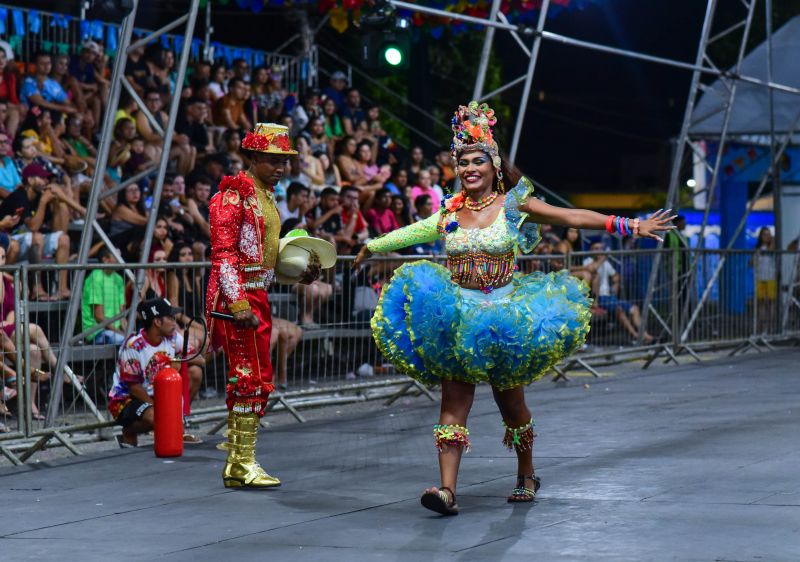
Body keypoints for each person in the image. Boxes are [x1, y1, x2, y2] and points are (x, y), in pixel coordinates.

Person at [353, 101, 674, 515]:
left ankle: (526, 472)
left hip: (506, 318)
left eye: (478, 161)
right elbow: (411, 232)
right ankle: (447, 491)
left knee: (512, 406)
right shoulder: (450, 213)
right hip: (457, 317)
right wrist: (371, 245)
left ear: (494, 165)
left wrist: (629, 225)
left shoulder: (512, 205)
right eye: (463, 162)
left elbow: (570, 215)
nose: (469, 168)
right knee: (453, 404)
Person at [206, 123, 321, 488]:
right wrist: (238, 303)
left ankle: (239, 459)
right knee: (249, 377)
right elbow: (223, 256)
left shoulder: (265, 197)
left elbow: (264, 259)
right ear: (253, 157)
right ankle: (240, 463)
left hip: (257, 294)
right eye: (274, 160)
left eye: (285, 161)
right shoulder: (231, 197)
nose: (282, 168)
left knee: (255, 377)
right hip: (236, 298)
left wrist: (297, 274)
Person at [108, 298, 205, 447]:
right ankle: (129, 431)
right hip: (127, 399)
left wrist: (178, 359)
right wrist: (162, 410)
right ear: (157, 322)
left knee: (195, 372)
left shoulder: (173, 337)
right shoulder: (133, 345)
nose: (175, 322)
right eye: (170, 318)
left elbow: (200, 361)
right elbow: (134, 387)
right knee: (157, 417)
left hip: (159, 393)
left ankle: (176, 424)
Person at [582, 242, 654, 343]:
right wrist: (603, 258)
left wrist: (615, 283)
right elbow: (592, 268)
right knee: (619, 310)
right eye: (595, 248)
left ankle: (644, 334)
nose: (598, 251)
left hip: (610, 297)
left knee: (634, 308)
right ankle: (636, 336)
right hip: (597, 298)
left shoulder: (605, 263)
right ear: (590, 251)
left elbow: (616, 275)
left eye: (600, 248)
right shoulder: (587, 261)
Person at [82, 247, 127, 345]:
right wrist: (121, 333)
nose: (120, 260)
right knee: (126, 342)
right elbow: (99, 316)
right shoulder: (96, 278)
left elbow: (122, 315)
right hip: (96, 332)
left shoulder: (119, 279)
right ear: (105, 259)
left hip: (114, 331)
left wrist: (128, 333)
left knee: (137, 341)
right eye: (116, 256)